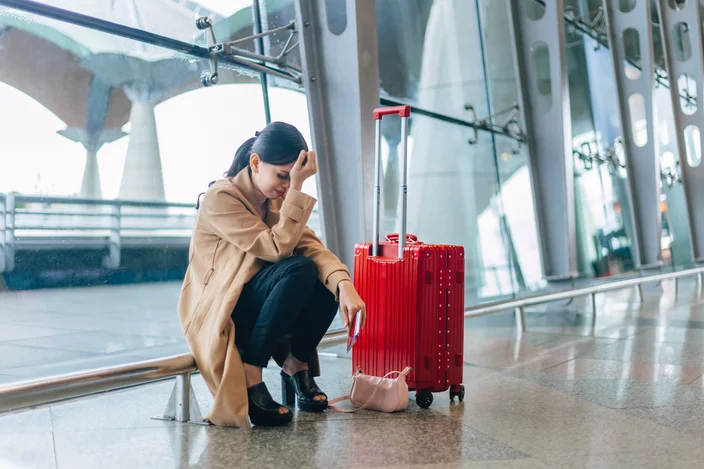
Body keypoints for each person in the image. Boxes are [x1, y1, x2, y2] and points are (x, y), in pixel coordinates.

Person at [177, 121, 366, 428]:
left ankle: (295, 364)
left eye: (293, 179)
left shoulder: (274, 200)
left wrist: (345, 285)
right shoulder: (221, 198)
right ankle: (252, 376)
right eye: (283, 176)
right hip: (219, 308)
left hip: (255, 300)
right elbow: (276, 248)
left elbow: (311, 246)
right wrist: (298, 189)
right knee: (299, 269)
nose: (287, 187)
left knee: (321, 276)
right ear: (255, 163)